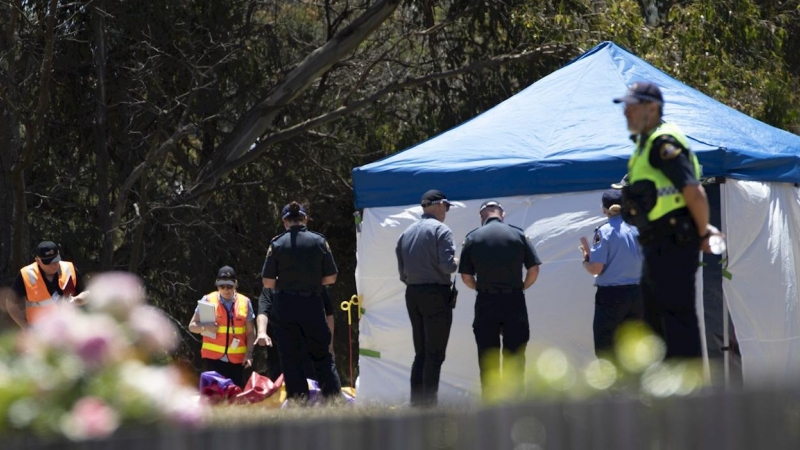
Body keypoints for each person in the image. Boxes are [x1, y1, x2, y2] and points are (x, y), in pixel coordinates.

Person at [613, 81, 723, 358]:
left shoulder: (663, 143)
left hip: (674, 239)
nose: (626, 113)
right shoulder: (645, 145)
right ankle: (667, 389)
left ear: (652, 108)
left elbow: (693, 191)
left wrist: (703, 232)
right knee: (655, 319)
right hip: (658, 242)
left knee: (675, 318)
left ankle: (689, 392)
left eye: (632, 106)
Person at [458, 201, 541, 397]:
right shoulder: (518, 234)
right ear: (502, 214)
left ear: (482, 216)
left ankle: (491, 403)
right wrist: (522, 286)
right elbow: (534, 269)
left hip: (486, 302)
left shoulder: (472, 238)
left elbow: (466, 277)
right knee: (515, 356)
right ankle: (515, 401)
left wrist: (481, 287)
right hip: (514, 301)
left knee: (488, 356)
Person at [261, 201, 342, 401]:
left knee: (290, 358)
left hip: (286, 306)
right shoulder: (319, 241)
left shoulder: (277, 244)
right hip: (312, 304)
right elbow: (331, 277)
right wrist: (312, 282)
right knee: (322, 356)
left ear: (284, 221)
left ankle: (299, 402)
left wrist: (287, 283)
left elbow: (268, 282)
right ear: (304, 219)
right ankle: (333, 400)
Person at [395, 189, 458, 407]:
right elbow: (447, 266)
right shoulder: (442, 230)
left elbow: (402, 274)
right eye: (447, 207)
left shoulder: (406, 233)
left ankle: (416, 405)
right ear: (440, 205)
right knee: (435, 354)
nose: (446, 211)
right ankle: (429, 407)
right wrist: (460, 259)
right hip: (436, 294)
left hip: (413, 294)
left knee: (420, 353)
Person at [579, 189, 644, 357]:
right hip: (638, 294)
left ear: (604, 209)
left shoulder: (604, 231)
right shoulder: (638, 229)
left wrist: (586, 262)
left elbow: (596, 268)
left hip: (612, 296)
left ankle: (615, 384)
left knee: (607, 349)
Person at [188, 266, 255, 388]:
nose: (226, 290)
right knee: (213, 398)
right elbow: (192, 326)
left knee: (233, 398)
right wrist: (206, 327)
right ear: (217, 285)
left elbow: (251, 332)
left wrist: (249, 354)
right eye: (222, 286)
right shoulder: (208, 299)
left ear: (235, 284)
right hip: (213, 360)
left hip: (236, 360)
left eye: (229, 286)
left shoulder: (245, 302)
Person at [256, 285, 335, 382]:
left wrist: (330, 345)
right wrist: (262, 332)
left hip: (308, 345)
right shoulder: (271, 286)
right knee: (279, 384)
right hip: (279, 347)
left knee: (311, 383)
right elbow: (263, 311)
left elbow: (329, 314)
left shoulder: (314, 281)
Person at [5, 241, 90, 328]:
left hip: (68, 330)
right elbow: (11, 303)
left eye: (56, 260)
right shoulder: (26, 274)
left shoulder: (69, 268)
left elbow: (87, 293)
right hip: (40, 333)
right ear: (38, 260)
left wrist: (76, 300)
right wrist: (25, 327)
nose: (54, 265)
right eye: (48, 262)